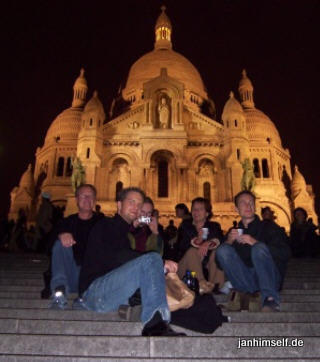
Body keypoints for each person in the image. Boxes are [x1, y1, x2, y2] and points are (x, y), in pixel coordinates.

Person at [79, 187, 184, 336]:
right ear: (119, 205)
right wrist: (159, 263)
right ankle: (155, 324)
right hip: (94, 293)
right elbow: (118, 256)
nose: (136, 207)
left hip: (110, 295)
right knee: (152, 258)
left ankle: (153, 317)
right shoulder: (107, 225)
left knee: (151, 266)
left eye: (139, 205)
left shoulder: (123, 232)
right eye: (132, 202)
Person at [216, 190, 290, 312]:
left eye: (251, 202)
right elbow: (220, 262)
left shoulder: (269, 226)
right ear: (236, 209)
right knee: (223, 249)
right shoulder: (233, 232)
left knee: (258, 248)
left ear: (255, 207)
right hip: (247, 280)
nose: (248, 205)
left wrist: (255, 242)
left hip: (270, 278)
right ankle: (246, 295)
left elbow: (285, 253)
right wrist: (228, 242)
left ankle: (270, 299)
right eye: (243, 203)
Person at [49, 184, 103, 309]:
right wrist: (61, 234)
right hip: (72, 274)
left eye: (90, 196)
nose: (87, 199)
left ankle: (86, 295)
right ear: (77, 200)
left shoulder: (102, 223)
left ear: (94, 201)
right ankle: (59, 291)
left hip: (92, 277)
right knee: (59, 243)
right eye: (83, 196)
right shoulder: (66, 222)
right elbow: (47, 246)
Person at [176, 197, 224, 294]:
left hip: (207, 267)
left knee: (217, 253)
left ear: (207, 213)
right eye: (194, 209)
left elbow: (219, 239)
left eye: (200, 209)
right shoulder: (185, 226)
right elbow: (181, 247)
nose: (196, 212)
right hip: (185, 268)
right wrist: (197, 241)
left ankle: (215, 287)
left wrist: (208, 243)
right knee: (193, 252)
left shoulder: (214, 226)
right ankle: (201, 284)